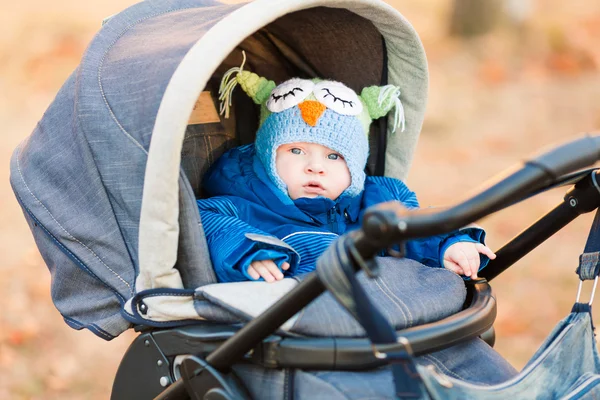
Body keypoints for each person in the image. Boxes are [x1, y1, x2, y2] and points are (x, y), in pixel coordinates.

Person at [198, 64, 495, 283]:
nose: (316, 166)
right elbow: (201, 220)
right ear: (267, 154)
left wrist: (447, 244)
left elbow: (410, 233)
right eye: (296, 151)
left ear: (355, 164)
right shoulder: (242, 201)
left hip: (387, 314)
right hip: (300, 320)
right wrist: (247, 250)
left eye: (334, 156)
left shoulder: (378, 200)